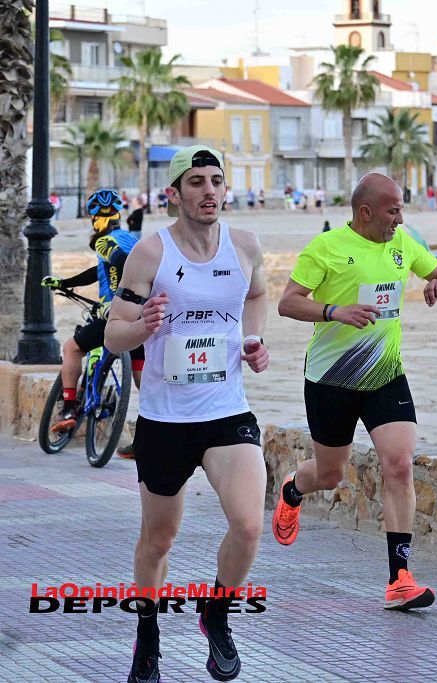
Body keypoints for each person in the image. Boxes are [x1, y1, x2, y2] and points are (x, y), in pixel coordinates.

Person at [105, 145, 270, 682]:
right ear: (173, 193)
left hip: (226, 411)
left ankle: (215, 615)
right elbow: (112, 336)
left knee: (247, 526)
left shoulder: (244, 247)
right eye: (196, 182)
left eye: (217, 180)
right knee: (159, 539)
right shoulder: (151, 255)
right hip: (166, 419)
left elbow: (256, 295)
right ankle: (147, 639)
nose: (209, 191)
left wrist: (254, 341)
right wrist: (143, 328)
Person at [273, 172, 437, 611]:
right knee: (331, 474)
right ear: (366, 211)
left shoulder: (403, 243)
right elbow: (288, 302)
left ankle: (399, 579)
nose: (400, 218)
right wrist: (333, 311)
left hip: (385, 375)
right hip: (331, 379)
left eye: (401, 209)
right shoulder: (327, 248)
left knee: (398, 466)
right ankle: (293, 490)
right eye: (393, 210)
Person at [41, 189, 145, 458]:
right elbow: (100, 271)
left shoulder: (104, 241)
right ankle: (147, 438)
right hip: (143, 316)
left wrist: (120, 296)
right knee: (143, 380)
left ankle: (68, 407)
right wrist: (65, 283)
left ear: (95, 219)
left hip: (117, 315)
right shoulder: (132, 239)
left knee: (72, 348)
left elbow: (119, 262)